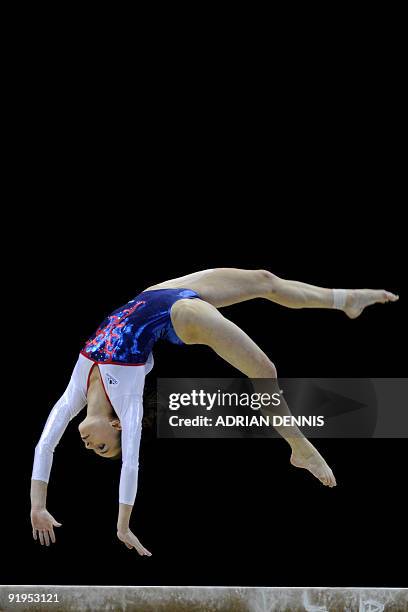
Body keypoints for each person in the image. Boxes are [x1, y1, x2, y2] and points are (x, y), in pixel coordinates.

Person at [30, 268, 399, 555]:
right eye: (101, 448)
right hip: (178, 315)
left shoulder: (74, 394)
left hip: (154, 294)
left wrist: (38, 506)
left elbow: (44, 447)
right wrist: (123, 526)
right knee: (264, 371)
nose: (89, 445)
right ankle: (301, 449)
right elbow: (131, 465)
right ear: (118, 427)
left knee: (264, 280)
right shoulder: (128, 404)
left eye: (95, 449)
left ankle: (344, 299)